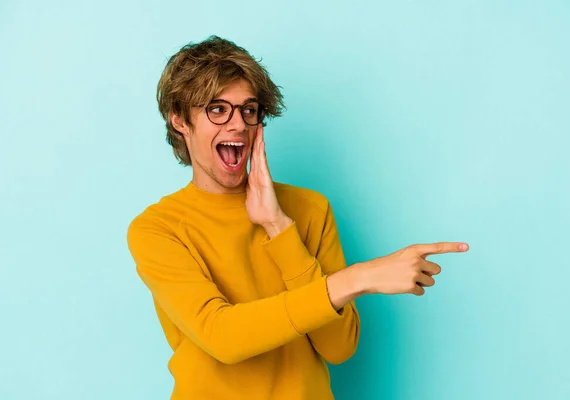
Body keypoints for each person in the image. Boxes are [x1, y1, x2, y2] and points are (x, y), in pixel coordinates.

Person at [126, 35, 469, 400]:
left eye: (249, 109)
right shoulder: (157, 229)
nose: (238, 124)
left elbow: (338, 349)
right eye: (216, 109)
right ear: (179, 120)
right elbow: (222, 336)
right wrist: (357, 278)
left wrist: (278, 226)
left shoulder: (309, 209)